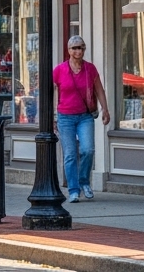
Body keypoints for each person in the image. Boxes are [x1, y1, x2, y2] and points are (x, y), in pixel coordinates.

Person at [52, 34, 110, 203]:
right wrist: (51, 116)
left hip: (85, 116)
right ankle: (73, 190)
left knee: (88, 150)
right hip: (65, 117)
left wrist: (105, 109)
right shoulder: (59, 70)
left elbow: (99, 90)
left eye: (81, 47)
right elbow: (51, 93)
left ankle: (84, 181)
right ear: (69, 50)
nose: (78, 50)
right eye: (75, 48)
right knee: (70, 154)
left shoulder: (89, 69)